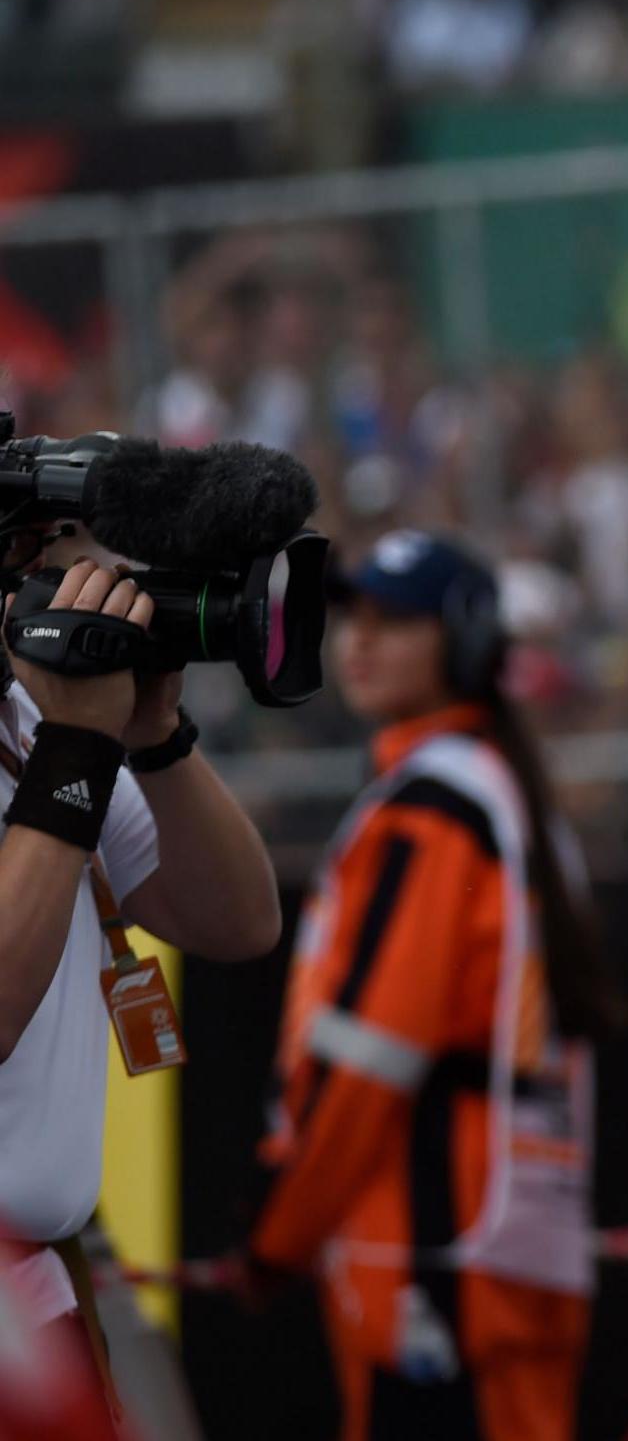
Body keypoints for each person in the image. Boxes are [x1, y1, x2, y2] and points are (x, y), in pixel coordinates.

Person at [247, 532, 626, 1441]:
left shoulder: (432, 810)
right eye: (356, 619)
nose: (360, 642)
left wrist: (280, 1231)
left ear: (461, 639)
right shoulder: (499, 790)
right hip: (516, 1235)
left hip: (434, 1243)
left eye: (396, 620)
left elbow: (372, 1050)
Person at [0, 554, 282, 1424]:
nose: (43, 574)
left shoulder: (24, 714)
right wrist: (77, 748)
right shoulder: (54, 732)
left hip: (36, 1290)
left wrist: (154, 734)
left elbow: (238, 919)